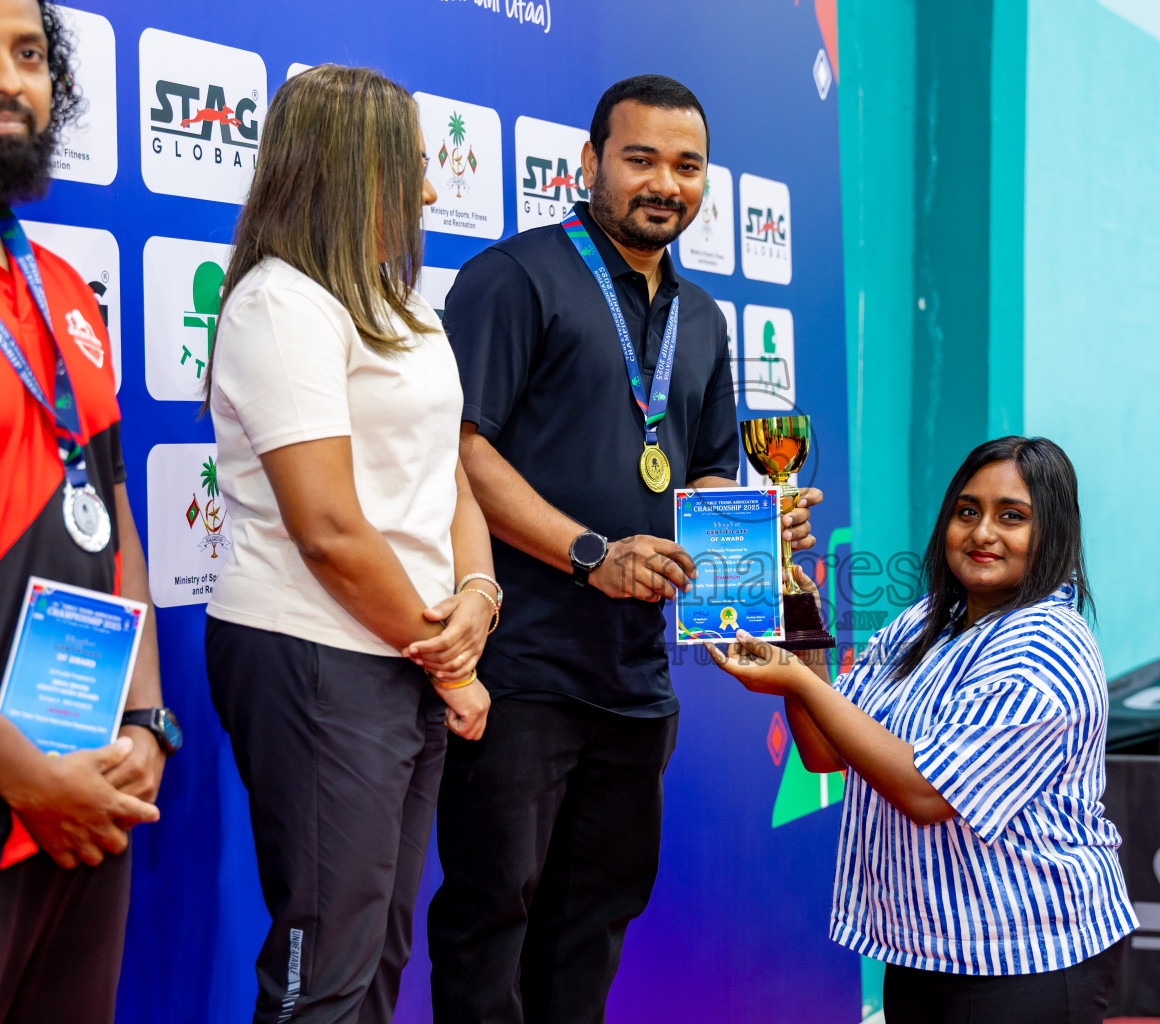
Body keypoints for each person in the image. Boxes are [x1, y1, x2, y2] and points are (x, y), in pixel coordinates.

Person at [428, 74, 820, 1023]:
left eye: (687, 166)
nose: (664, 183)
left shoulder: (706, 318)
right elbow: (456, 449)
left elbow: (710, 476)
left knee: (592, 923)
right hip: (516, 671)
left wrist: (764, 530)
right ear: (589, 164)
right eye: (639, 158)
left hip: (636, 683)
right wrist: (588, 551)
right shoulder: (514, 278)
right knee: (491, 922)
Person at [203, 65, 494, 1023]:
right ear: (350, 166)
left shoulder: (401, 303)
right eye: (409, 163)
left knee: (377, 951)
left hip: (404, 652)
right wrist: (446, 659)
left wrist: (480, 594)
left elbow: (448, 477)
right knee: (323, 961)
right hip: (315, 652)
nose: (428, 188)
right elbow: (327, 530)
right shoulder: (281, 304)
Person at [709, 437, 1137, 1024]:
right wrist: (797, 621)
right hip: (924, 946)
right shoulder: (926, 620)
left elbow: (926, 793)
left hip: (1025, 956)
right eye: (967, 511)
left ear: (1053, 534)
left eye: (1011, 517)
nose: (982, 533)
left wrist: (800, 683)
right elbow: (825, 750)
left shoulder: (1047, 646)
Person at [0, 2, 171, 1020]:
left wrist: (146, 716)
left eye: (27, 54)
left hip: (86, 783)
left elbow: (112, 509)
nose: (12, 80)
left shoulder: (59, 284)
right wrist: (22, 774)